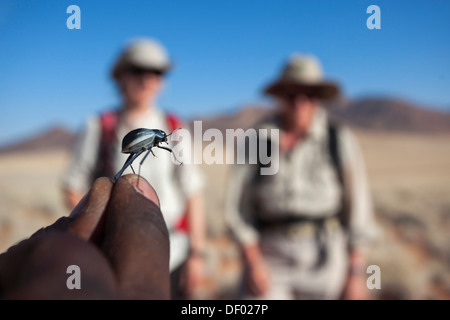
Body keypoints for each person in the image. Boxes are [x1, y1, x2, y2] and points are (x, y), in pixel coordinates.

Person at [225, 54, 380, 300]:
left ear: (318, 98)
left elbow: (359, 211)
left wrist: (355, 275)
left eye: (308, 94)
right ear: (280, 96)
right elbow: (237, 209)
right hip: (269, 257)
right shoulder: (256, 140)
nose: (300, 102)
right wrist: (252, 262)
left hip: (327, 259)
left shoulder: (339, 140)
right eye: (291, 94)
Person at [61, 38, 206, 299]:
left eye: (156, 72)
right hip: (115, 252)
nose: (146, 79)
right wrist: (95, 231)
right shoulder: (98, 126)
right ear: (120, 76)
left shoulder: (174, 125)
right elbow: (72, 185)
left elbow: (193, 192)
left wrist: (197, 254)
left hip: (174, 251)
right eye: (138, 70)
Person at [0, 175, 170, 299]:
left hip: (170, 248)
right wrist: (90, 214)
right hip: (102, 240)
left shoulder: (170, 126)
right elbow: (72, 186)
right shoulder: (98, 129)